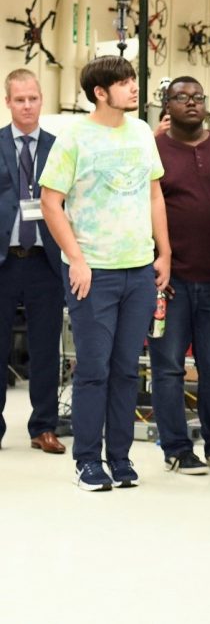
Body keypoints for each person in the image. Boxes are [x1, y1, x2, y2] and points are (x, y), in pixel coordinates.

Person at [39, 56, 171, 491]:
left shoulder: (140, 133)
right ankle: (87, 461)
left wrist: (164, 252)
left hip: (138, 269)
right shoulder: (74, 137)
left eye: (134, 80)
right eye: (124, 82)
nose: (134, 88)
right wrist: (76, 258)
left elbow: (154, 195)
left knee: (128, 370)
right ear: (100, 91)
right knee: (93, 369)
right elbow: (50, 202)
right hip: (93, 272)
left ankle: (120, 457)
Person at [150, 77, 210, 476]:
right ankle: (176, 447)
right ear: (166, 105)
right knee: (168, 366)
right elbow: (142, 212)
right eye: (181, 97)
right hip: (168, 283)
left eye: (198, 97)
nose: (191, 103)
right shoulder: (151, 150)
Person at [0, 69, 65, 454]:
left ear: (42, 100)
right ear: (8, 102)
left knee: (45, 349)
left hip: (46, 261)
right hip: (4, 261)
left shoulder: (60, 148)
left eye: (33, 98)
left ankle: (43, 427)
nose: (27, 105)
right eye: (19, 99)